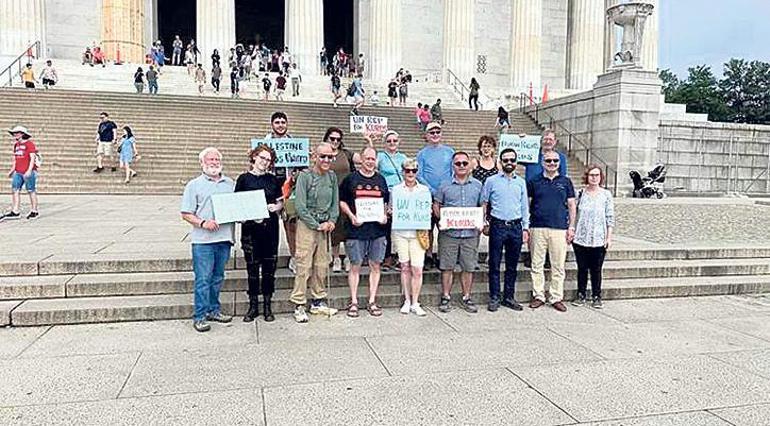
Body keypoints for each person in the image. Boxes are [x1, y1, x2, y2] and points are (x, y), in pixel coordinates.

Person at [180, 147, 235, 332]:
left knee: (218, 277)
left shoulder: (230, 183)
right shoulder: (193, 185)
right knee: (203, 279)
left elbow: (238, 207)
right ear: (202, 163)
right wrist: (203, 223)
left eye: (217, 159)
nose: (214, 162)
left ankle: (214, 309)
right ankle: (200, 315)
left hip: (224, 238)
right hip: (203, 240)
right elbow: (186, 213)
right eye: (210, 159)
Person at [291, 142, 339, 323]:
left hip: (325, 223)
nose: (326, 160)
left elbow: (335, 201)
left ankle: (318, 300)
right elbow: (300, 206)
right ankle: (299, 303)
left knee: (322, 264)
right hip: (308, 224)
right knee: (304, 264)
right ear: (315, 157)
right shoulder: (305, 176)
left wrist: (332, 220)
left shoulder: (332, 176)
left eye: (330, 157)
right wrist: (316, 224)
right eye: (323, 156)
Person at [340, 147, 389, 318]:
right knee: (356, 265)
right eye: (367, 158)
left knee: (375, 265)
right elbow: (342, 201)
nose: (370, 162)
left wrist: (384, 215)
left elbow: (385, 201)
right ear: (361, 158)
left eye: (373, 159)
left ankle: (372, 300)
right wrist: (352, 216)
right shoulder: (351, 179)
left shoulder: (381, 180)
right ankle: (353, 301)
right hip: (356, 230)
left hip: (377, 230)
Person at [235, 146, 283, 322]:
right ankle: (253, 305)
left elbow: (280, 203)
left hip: (269, 229)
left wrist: (276, 207)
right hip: (250, 230)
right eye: (262, 158)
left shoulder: (273, 179)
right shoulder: (243, 179)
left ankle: (268, 305)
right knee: (252, 269)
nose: (265, 162)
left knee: (270, 269)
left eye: (269, 160)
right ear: (254, 157)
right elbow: (237, 205)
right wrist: (246, 216)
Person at [434, 152, 484, 313]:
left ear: (469, 165)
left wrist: (481, 219)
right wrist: (442, 218)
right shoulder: (444, 184)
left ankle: (466, 296)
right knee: (447, 267)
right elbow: (437, 204)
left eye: (464, 163)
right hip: (450, 234)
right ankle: (446, 296)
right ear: (453, 165)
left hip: (470, 234)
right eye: (458, 163)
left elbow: (482, 205)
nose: (461, 166)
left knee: (468, 267)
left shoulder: (478, 185)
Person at [527, 150, 576, 312]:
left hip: (559, 228)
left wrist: (571, 226)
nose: (552, 164)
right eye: (549, 161)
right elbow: (528, 204)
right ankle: (538, 295)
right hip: (537, 226)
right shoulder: (534, 182)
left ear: (559, 163)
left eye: (555, 161)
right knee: (537, 264)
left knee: (558, 265)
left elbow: (571, 206)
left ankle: (556, 297)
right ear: (543, 163)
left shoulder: (566, 182)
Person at [482, 148, 529, 311]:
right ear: (500, 162)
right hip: (498, 225)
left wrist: (526, 228)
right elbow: (484, 203)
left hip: (516, 227)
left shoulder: (521, 182)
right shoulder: (491, 181)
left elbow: (524, 207)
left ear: (516, 162)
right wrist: (484, 222)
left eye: (512, 160)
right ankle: (494, 297)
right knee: (494, 264)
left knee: (512, 265)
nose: (509, 163)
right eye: (506, 160)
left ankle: (509, 297)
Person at [572, 165, 614, 309]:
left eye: (597, 175)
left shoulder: (606, 195)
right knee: (582, 268)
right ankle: (581, 294)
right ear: (587, 177)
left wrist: (609, 237)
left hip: (598, 238)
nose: (594, 178)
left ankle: (597, 295)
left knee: (596, 269)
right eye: (591, 175)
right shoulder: (581, 193)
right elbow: (573, 213)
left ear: (601, 177)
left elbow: (609, 217)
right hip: (581, 238)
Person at [390, 158, 429, 316]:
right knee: (405, 267)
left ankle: (415, 302)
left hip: (417, 233)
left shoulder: (424, 190)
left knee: (417, 269)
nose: (410, 173)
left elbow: (427, 209)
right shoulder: (396, 190)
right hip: (401, 232)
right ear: (402, 172)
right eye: (407, 170)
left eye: (413, 170)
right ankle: (407, 300)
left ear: (417, 172)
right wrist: (391, 212)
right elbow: (391, 207)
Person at [416, 121, 454, 269]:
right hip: (429, 195)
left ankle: (444, 255)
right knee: (429, 227)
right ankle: (429, 254)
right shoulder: (422, 153)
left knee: (444, 227)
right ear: (427, 135)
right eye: (432, 132)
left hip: (446, 195)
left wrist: (445, 189)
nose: (435, 135)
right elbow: (419, 174)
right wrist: (431, 190)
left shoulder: (449, 152)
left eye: (437, 132)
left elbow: (452, 172)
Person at [372, 130, 407, 270]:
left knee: (401, 226)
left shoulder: (403, 157)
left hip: (400, 193)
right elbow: (372, 166)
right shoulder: (381, 156)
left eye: (394, 140)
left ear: (398, 142)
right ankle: (386, 257)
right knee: (385, 226)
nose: (392, 143)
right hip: (385, 192)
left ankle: (400, 256)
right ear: (384, 143)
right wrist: (369, 142)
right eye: (389, 141)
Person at [325, 127, 356, 273]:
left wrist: (369, 143)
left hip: (347, 194)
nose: (335, 141)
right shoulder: (324, 154)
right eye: (332, 139)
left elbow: (364, 159)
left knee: (348, 226)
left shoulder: (346, 154)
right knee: (335, 228)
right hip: (330, 195)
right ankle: (336, 257)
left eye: (338, 139)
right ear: (327, 138)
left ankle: (348, 257)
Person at [2, 126, 39, 220]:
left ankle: (34, 210)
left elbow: (32, 158)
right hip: (18, 171)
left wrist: (29, 170)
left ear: (22, 134)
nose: (15, 135)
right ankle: (15, 210)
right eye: (14, 133)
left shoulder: (29, 144)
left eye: (17, 133)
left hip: (28, 171)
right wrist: (12, 170)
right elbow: (16, 159)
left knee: (31, 190)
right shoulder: (16, 145)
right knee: (15, 189)